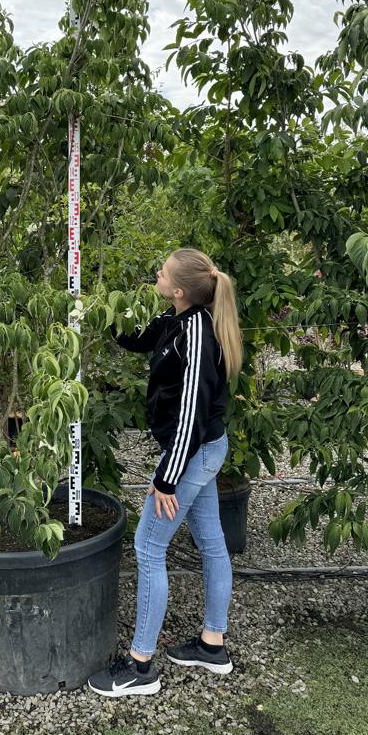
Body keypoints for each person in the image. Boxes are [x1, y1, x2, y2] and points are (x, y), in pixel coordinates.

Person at [88, 247, 243, 698]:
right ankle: (212, 645)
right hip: (201, 450)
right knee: (212, 541)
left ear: (179, 289)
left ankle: (140, 666)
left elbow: (191, 415)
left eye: (161, 272)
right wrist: (100, 312)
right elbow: (137, 338)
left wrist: (167, 478)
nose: (154, 273)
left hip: (191, 453)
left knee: (148, 545)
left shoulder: (197, 333)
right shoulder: (178, 320)